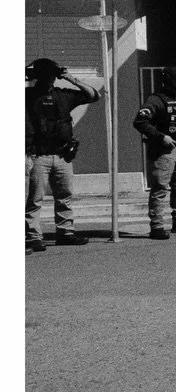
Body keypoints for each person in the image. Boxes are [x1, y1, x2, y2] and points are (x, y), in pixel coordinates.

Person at [26, 58, 100, 252]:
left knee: (65, 195)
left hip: (62, 155)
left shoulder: (63, 95)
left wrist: (70, 78)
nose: (48, 79)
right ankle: (33, 236)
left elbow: (93, 95)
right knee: (35, 198)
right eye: (45, 76)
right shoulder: (27, 95)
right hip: (37, 155)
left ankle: (65, 232)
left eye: (51, 76)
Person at [133, 66, 176, 241]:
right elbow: (140, 122)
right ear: (169, 81)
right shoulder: (155, 100)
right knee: (160, 188)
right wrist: (161, 137)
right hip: (164, 151)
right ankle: (156, 226)